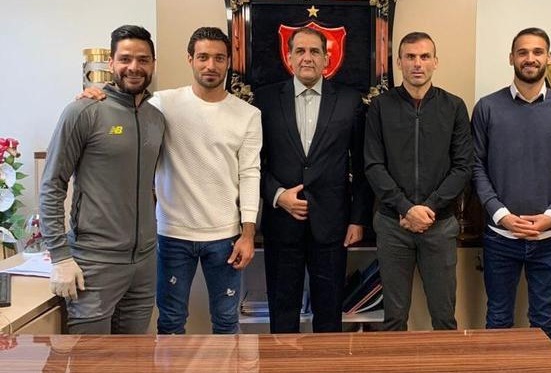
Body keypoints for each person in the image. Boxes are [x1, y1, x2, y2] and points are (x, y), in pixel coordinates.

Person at [80, 27, 261, 334]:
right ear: (190, 59)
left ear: (228, 62)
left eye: (219, 58)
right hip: (171, 234)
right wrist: (94, 94)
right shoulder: (161, 103)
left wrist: (248, 233)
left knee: (227, 322)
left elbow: (250, 174)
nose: (210, 65)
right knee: (171, 321)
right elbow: (123, 103)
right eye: (203, 57)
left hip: (226, 236)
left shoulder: (248, 114)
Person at [40, 25, 165, 334]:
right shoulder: (83, 111)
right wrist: (60, 256)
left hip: (144, 263)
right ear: (111, 63)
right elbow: (52, 185)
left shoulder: (156, 118)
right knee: (91, 356)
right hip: (94, 263)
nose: (134, 67)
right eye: (125, 59)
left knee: (135, 356)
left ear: (153, 64)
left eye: (143, 59)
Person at [253, 27, 372, 333]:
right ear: (289, 57)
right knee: (282, 311)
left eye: (315, 51)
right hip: (282, 224)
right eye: (300, 51)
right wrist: (277, 195)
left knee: (329, 314)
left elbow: (361, 166)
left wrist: (357, 219)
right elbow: (252, 164)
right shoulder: (265, 100)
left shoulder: (349, 101)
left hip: (332, 225)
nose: (307, 58)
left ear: (326, 59)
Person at [471, 27, 551, 342]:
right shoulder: (487, 107)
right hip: (500, 237)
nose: (530, 58)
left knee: (544, 322)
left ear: (548, 58)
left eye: (537, 52)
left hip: (550, 238)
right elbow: (476, 166)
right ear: (511, 58)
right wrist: (500, 215)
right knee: (498, 319)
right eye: (522, 52)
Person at [364, 32, 472, 331]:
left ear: (435, 62)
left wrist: (428, 209)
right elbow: (373, 165)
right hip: (392, 224)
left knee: (444, 317)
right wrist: (405, 208)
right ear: (399, 62)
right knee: (394, 318)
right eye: (410, 57)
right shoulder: (380, 107)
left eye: (425, 57)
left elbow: (463, 167)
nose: (417, 64)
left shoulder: (454, 107)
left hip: (439, 224)